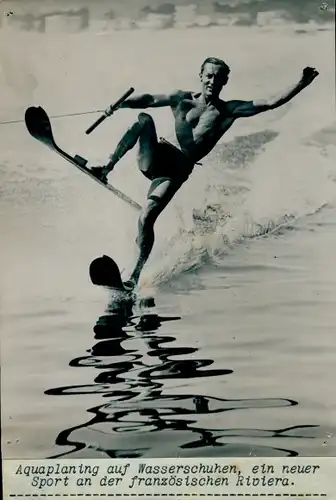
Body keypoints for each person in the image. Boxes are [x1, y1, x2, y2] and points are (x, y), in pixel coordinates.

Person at [90, 58, 319, 289]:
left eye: (218, 77)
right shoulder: (181, 99)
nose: (212, 81)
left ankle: (133, 277)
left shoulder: (228, 111)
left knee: (147, 217)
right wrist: (120, 104)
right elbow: (149, 100)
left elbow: (269, 102)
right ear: (201, 76)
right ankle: (106, 168)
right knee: (143, 120)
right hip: (154, 155)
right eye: (208, 76)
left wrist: (301, 83)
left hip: (174, 172)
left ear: (224, 81)